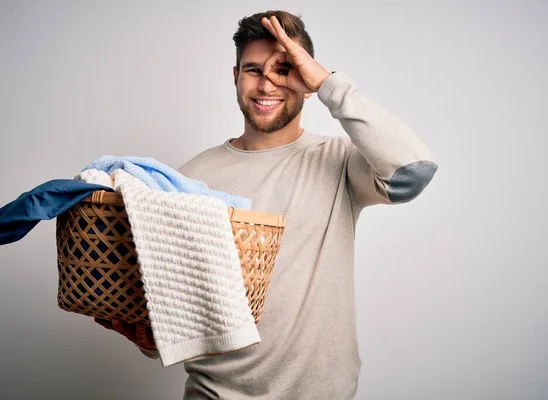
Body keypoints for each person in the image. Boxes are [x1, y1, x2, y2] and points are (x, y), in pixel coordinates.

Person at [95, 9, 438, 399]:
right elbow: (175, 297)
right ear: (235, 76)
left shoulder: (339, 161)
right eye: (254, 70)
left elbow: (414, 171)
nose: (267, 84)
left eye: (285, 69)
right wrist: (151, 337)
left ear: (306, 80)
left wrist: (327, 83)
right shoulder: (187, 180)